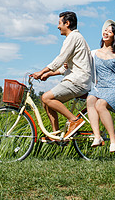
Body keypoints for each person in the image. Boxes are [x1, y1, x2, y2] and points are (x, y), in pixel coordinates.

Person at [32, 11, 92, 141]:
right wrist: (49, 74)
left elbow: (60, 59)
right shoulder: (77, 38)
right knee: (47, 103)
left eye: (59, 23)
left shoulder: (73, 37)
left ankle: (73, 120)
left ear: (67, 23)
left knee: (46, 97)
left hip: (78, 81)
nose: (58, 26)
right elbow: (66, 67)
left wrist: (41, 71)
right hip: (79, 79)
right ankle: (56, 136)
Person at [87, 19, 115, 152]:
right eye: (105, 30)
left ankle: (113, 139)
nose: (106, 32)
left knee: (100, 105)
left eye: (110, 32)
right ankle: (97, 136)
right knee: (90, 100)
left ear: (114, 37)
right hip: (100, 87)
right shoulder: (94, 53)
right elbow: (84, 64)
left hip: (114, 87)